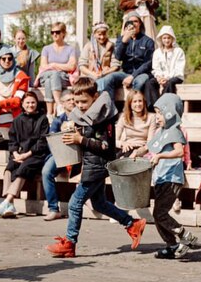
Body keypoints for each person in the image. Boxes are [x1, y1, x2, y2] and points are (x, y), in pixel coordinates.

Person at [46, 77, 148, 258]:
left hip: (97, 167)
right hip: (91, 165)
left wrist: (81, 139)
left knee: (74, 203)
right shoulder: (87, 115)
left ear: (95, 97)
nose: (80, 105)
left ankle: (70, 243)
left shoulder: (102, 117)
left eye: (84, 101)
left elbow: (104, 146)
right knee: (99, 203)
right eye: (76, 102)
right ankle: (132, 224)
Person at [147, 94, 199, 259]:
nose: (157, 117)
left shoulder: (175, 131)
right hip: (161, 178)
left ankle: (184, 235)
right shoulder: (161, 132)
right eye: (156, 113)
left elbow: (179, 152)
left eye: (160, 113)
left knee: (161, 213)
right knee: (157, 214)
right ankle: (172, 245)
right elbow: (149, 147)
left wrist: (160, 156)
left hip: (172, 179)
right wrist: (138, 152)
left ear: (170, 113)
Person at [0, 91, 51, 218]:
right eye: (28, 103)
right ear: (22, 104)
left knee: (24, 168)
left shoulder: (43, 119)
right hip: (19, 153)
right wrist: (15, 154)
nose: (30, 105)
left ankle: (6, 201)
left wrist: (26, 155)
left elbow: (42, 142)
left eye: (33, 102)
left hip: (36, 155)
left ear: (37, 103)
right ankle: (10, 205)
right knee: (9, 168)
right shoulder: (17, 120)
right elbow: (12, 139)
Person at [96, 15, 155, 106]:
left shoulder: (148, 41)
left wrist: (132, 76)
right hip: (125, 72)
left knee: (140, 82)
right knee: (109, 79)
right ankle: (110, 108)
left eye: (135, 21)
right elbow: (118, 57)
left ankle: (133, 108)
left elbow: (148, 63)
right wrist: (124, 41)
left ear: (140, 24)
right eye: (130, 22)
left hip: (141, 73)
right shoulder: (122, 39)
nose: (133, 24)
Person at [41, 92, 76, 221]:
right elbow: (52, 141)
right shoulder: (58, 120)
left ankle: (80, 207)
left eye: (73, 99)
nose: (72, 102)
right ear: (62, 104)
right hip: (60, 153)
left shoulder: (82, 118)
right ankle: (53, 209)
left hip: (78, 154)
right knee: (46, 172)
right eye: (68, 100)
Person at [36, 22, 78, 115]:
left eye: (57, 32)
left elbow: (71, 66)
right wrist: (61, 67)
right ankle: (59, 104)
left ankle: (49, 113)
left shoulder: (70, 49)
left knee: (49, 81)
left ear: (63, 33)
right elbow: (43, 66)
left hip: (62, 77)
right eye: (52, 32)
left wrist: (53, 64)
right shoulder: (46, 49)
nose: (54, 34)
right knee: (53, 75)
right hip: (46, 75)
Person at [116, 91, 157, 158]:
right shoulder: (124, 117)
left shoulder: (151, 117)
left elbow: (150, 142)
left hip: (142, 148)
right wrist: (122, 143)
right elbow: (115, 139)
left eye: (140, 101)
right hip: (128, 147)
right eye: (134, 101)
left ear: (144, 102)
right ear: (130, 104)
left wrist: (138, 152)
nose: (138, 104)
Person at [149, 25, 185, 97]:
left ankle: (161, 103)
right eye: (164, 38)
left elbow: (178, 69)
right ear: (161, 39)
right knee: (150, 82)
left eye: (169, 38)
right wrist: (159, 77)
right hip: (161, 77)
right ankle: (154, 104)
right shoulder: (157, 52)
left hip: (176, 77)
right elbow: (156, 68)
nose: (166, 40)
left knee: (170, 83)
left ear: (172, 39)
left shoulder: (178, 51)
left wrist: (167, 77)